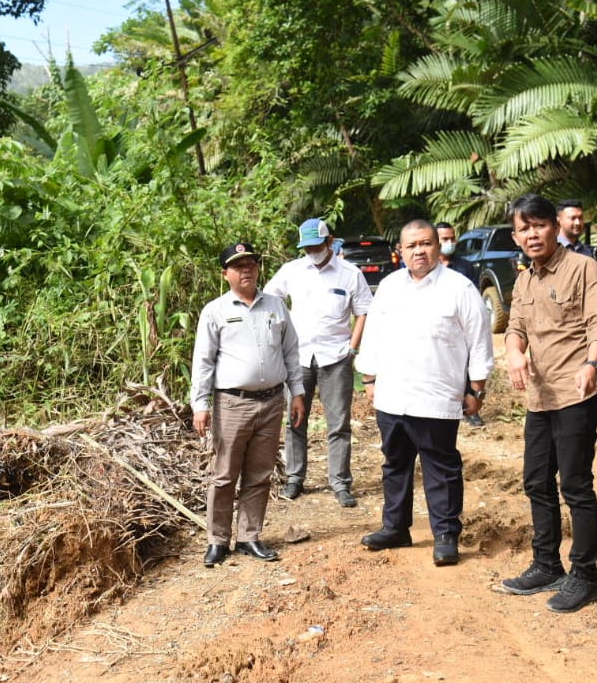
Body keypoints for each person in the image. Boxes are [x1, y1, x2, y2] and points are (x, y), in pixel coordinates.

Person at [354, 219, 494, 566]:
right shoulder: (388, 286)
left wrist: (477, 387)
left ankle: (445, 534)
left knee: (441, 468)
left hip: (438, 395)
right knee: (395, 465)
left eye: (426, 243)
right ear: (399, 252)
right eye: (412, 245)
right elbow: (373, 335)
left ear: (438, 246)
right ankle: (395, 527)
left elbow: (480, 342)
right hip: (393, 394)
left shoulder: (459, 288)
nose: (420, 251)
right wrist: (369, 380)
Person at [500, 194, 597, 613]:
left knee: (576, 485)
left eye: (539, 225)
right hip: (540, 396)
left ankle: (586, 575)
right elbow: (514, 328)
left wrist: (592, 363)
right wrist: (514, 354)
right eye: (524, 228)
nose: (532, 234)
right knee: (535, 481)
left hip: (577, 393)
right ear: (516, 236)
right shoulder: (524, 279)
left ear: (554, 227)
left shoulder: (583, 268)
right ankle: (546, 564)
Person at [190, 242, 307, 568]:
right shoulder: (215, 311)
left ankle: (249, 537)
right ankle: (217, 540)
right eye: (238, 266)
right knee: (224, 474)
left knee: (259, 474)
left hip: (271, 403)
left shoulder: (276, 306)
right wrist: (200, 403)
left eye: (251, 264)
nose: (247, 270)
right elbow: (203, 361)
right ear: (224, 273)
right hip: (232, 404)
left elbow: (291, 352)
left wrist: (296, 392)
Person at [265, 218, 372, 507]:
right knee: (295, 420)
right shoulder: (292, 271)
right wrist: (280, 336)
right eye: (307, 247)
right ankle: (295, 479)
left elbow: (364, 311)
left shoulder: (350, 274)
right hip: (299, 357)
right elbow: (269, 300)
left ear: (329, 242)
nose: (312, 252)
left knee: (338, 424)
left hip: (336, 357)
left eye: (316, 246)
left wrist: (352, 349)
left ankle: (340, 483)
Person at [436, 222, 487, 429]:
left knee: (467, 365)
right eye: (444, 239)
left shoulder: (465, 267)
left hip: (461, 326)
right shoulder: (429, 268)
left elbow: (474, 300)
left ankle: (470, 408)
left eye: (451, 238)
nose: (449, 243)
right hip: (438, 327)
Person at [434, 222, 481, 288]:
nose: (450, 242)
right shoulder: (428, 265)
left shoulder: (465, 266)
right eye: (445, 239)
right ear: (435, 240)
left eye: (452, 239)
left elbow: (473, 292)